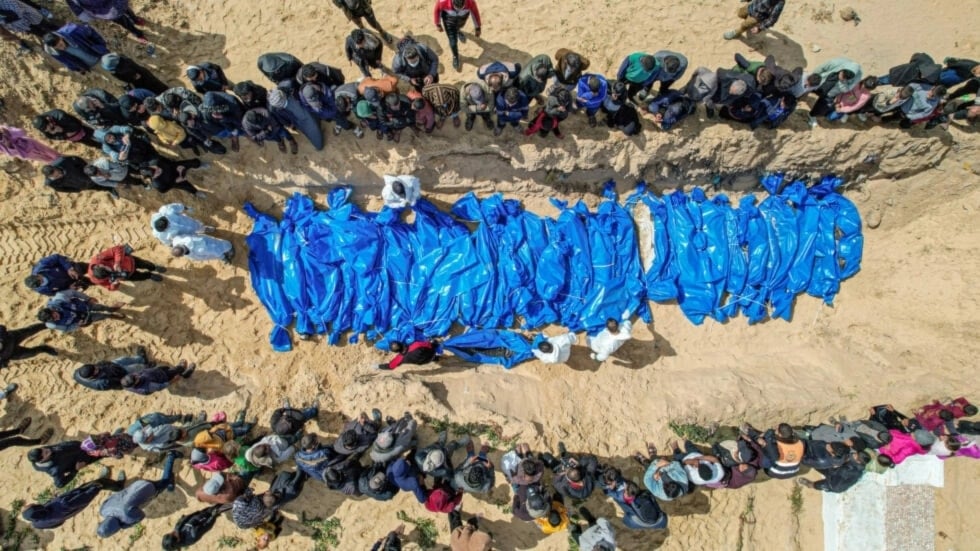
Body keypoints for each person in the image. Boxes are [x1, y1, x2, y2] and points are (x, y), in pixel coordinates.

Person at [96, 451, 180, 537]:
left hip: (146, 488)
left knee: (164, 482)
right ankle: (170, 480)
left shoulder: (127, 516)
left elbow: (141, 515)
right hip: (133, 487)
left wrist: (126, 525)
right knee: (162, 484)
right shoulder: (103, 511)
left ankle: (171, 457)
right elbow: (109, 498)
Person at [23, 467, 126, 529]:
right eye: (32, 505)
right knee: (96, 485)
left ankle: (102, 480)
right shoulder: (63, 504)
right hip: (74, 500)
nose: (31, 503)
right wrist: (95, 487)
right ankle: (118, 486)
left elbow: (57, 524)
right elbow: (84, 497)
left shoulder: (37, 524)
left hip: (70, 509)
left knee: (88, 485)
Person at [37, 289, 124, 332]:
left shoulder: (59, 299)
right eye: (54, 320)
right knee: (103, 316)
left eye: (55, 316)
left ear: (52, 309)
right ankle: (112, 316)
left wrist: (88, 298)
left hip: (85, 306)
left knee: (102, 307)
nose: (56, 319)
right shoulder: (53, 325)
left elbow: (73, 292)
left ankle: (112, 309)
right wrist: (76, 326)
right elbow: (66, 329)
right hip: (84, 320)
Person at [87, 244, 165, 291]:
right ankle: (149, 275)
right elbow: (110, 288)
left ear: (101, 265)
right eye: (109, 274)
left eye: (109, 269)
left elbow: (117, 249)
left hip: (130, 261)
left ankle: (154, 267)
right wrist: (114, 284)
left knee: (145, 264)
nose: (112, 271)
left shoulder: (98, 259)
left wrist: (117, 262)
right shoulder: (96, 280)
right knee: (140, 277)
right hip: (126, 275)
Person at [28, 439, 102, 488]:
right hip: (85, 457)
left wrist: (68, 443)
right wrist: (75, 470)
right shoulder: (55, 470)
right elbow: (59, 484)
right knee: (107, 450)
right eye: (46, 453)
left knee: (102, 438)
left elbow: (56, 446)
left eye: (43, 449)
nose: (47, 449)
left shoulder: (43, 451)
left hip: (80, 445)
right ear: (41, 460)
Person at [66, 0, 146, 43]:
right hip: (103, 11)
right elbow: (75, 7)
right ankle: (138, 33)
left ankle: (135, 19)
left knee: (126, 9)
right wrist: (85, 16)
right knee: (123, 21)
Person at [433, 0, 482, 71]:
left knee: (459, 27)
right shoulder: (442, 2)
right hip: (449, 22)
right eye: (457, 7)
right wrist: (438, 24)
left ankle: (458, 31)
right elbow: (437, 10)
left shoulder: (471, 2)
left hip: (462, 20)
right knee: (453, 42)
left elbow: (475, 13)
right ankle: (455, 56)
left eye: (461, 7)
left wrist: (478, 27)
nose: (458, 9)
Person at [42, 22, 107, 74]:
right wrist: (78, 68)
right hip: (94, 67)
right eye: (58, 47)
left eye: (61, 44)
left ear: (61, 38)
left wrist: (102, 46)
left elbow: (91, 32)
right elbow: (66, 61)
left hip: (101, 55)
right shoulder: (52, 51)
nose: (62, 48)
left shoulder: (73, 31)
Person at [73, 351, 149, 391]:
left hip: (111, 366)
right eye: (96, 369)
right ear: (93, 375)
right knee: (135, 368)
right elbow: (119, 383)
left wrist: (108, 364)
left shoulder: (77, 373)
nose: (97, 367)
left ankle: (141, 359)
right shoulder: (103, 383)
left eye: (95, 367)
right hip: (121, 374)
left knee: (125, 359)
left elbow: (98, 365)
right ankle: (146, 366)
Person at [162, 504, 228, 550]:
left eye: (170, 533)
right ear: (178, 540)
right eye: (173, 535)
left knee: (217, 504)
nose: (173, 532)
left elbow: (184, 519)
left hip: (200, 514)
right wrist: (213, 516)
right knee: (226, 505)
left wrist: (197, 512)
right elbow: (206, 527)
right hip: (207, 517)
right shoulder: (191, 537)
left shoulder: (177, 531)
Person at [101, 53, 168, 94]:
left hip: (144, 81)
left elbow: (137, 77)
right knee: (159, 85)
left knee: (157, 89)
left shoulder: (124, 70)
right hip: (144, 73)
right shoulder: (122, 58)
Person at [139, 156, 206, 197]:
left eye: (156, 169)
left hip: (174, 167)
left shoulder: (157, 161)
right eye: (156, 173)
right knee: (186, 186)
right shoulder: (157, 184)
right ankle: (195, 192)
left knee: (192, 162)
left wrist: (179, 167)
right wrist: (175, 181)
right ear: (153, 177)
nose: (158, 170)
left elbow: (168, 161)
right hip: (173, 180)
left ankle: (199, 165)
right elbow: (163, 191)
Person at [32, 109, 100, 149]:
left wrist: (63, 130)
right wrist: (64, 135)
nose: (47, 130)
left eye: (48, 128)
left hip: (82, 128)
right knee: (93, 144)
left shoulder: (60, 116)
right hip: (76, 137)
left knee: (98, 135)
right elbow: (53, 137)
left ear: (48, 121)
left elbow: (76, 126)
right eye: (44, 130)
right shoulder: (44, 129)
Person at [121, 361, 194, 395]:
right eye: (135, 378)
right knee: (174, 372)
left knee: (165, 368)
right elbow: (161, 386)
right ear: (135, 384)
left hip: (154, 372)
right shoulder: (149, 386)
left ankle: (178, 370)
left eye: (133, 375)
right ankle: (184, 372)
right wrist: (174, 380)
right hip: (163, 377)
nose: (136, 375)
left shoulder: (127, 384)